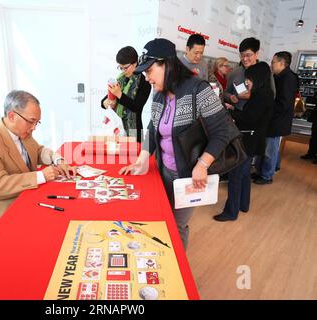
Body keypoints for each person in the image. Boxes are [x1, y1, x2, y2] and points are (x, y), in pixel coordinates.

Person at [119, 38, 232, 249]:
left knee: (177, 225)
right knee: (161, 220)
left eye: (150, 70)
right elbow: (153, 128)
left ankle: (176, 275)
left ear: (166, 64)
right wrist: (142, 159)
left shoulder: (198, 89)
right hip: (164, 172)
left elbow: (222, 131)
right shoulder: (159, 93)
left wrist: (202, 165)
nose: (147, 77)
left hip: (188, 176)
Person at [0, 90, 76, 227]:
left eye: (37, 122)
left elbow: (38, 151)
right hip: (3, 203)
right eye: (31, 121)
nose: (34, 128)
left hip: (26, 192)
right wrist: (40, 176)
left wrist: (58, 160)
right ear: (11, 116)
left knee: (66, 211)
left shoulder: (22, 131)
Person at [214, 62, 274, 222]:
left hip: (248, 140)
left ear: (258, 79)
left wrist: (229, 113)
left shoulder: (262, 96)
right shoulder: (264, 93)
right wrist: (234, 110)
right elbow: (252, 116)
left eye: (249, 80)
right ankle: (243, 204)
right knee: (244, 174)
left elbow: (250, 120)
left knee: (235, 175)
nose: (246, 83)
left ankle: (231, 212)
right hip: (254, 140)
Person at [253, 52, 299, 184]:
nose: (271, 65)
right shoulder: (281, 76)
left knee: (270, 150)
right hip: (275, 119)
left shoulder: (287, 78)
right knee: (271, 148)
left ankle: (266, 176)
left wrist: (267, 111)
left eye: (273, 62)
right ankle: (270, 169)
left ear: (281, 63)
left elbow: (283, 103)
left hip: (276, 120)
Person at [101, 46, 151, 142]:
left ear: (135, 63)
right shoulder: (120, 79)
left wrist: (119, 95)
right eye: (121, 68)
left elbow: (136, 107)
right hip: (116, 131)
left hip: (134, 132)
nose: (123, 71)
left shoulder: (145, 83)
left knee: (133, 156)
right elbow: (105, 100)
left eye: (126, 67)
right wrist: (105, 102)